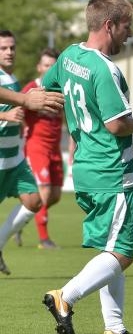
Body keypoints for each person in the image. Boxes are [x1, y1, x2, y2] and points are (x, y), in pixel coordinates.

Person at [40, 0, 133, 334]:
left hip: (86, 168)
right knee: (122, 254)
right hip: (111, 172)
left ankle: (114, 330)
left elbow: (49, 90)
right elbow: (118, 124)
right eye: (126, 26)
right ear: (109, 25)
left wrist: (77, 124)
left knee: (109, 250)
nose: (129, 33)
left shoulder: (70, 55)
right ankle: (66, 297)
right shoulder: (106, 69)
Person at [0, 30, 43, 276]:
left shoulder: (12, 78)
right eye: (3, 48)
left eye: (12, 47)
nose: (9, 52)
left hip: (14, 160)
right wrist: (5, 115)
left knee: (34, 201)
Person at [16, 48, 63, 249]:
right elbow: (16, 109)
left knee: (54, 195)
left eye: (53, 65)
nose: (49, 68)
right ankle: (44, 239)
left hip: (55, 148)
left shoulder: (60, 90)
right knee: (43, 191)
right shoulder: (31, 89)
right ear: (39, 67)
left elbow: (66, 118)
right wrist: (21, 131)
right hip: (36, 146)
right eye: (46, 65)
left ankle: (20, 219)